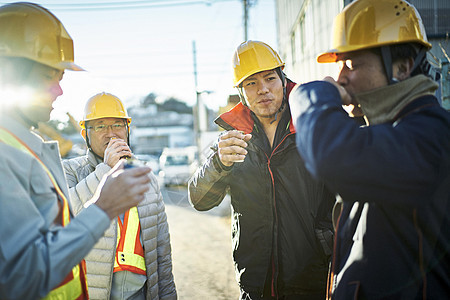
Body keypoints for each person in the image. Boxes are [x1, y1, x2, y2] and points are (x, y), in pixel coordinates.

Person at [290, 0, 450, 299]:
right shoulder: (395, 132)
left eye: (351, 63)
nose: (340, 78)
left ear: (401, 68)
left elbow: (330, 155)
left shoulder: (432, 136)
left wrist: (312, 94)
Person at [0, 2, 152, 299]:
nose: (59, 92)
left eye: (59, 78)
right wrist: (103, 207)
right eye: (47, 77)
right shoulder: (6, 155)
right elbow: (20, 277)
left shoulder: (27, 148)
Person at [188, 40, 336, 299]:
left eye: (270, 78)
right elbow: (199, 200)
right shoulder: (232, 141)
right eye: (251, 83)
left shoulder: (312, 126)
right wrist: (218, 164)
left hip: (314, 282)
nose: (263, 90)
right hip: (255, 286)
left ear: (283, 79)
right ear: (241, 92)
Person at [63, 92, 177, 300]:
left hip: (139, 293)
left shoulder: (146, 176)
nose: (111, 134)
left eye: (117, 125)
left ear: (127, 129)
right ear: (85, 134)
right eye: (100, 126)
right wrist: (105, 170)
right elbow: (64, 219)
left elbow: (161, 253)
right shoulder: (70, 170)